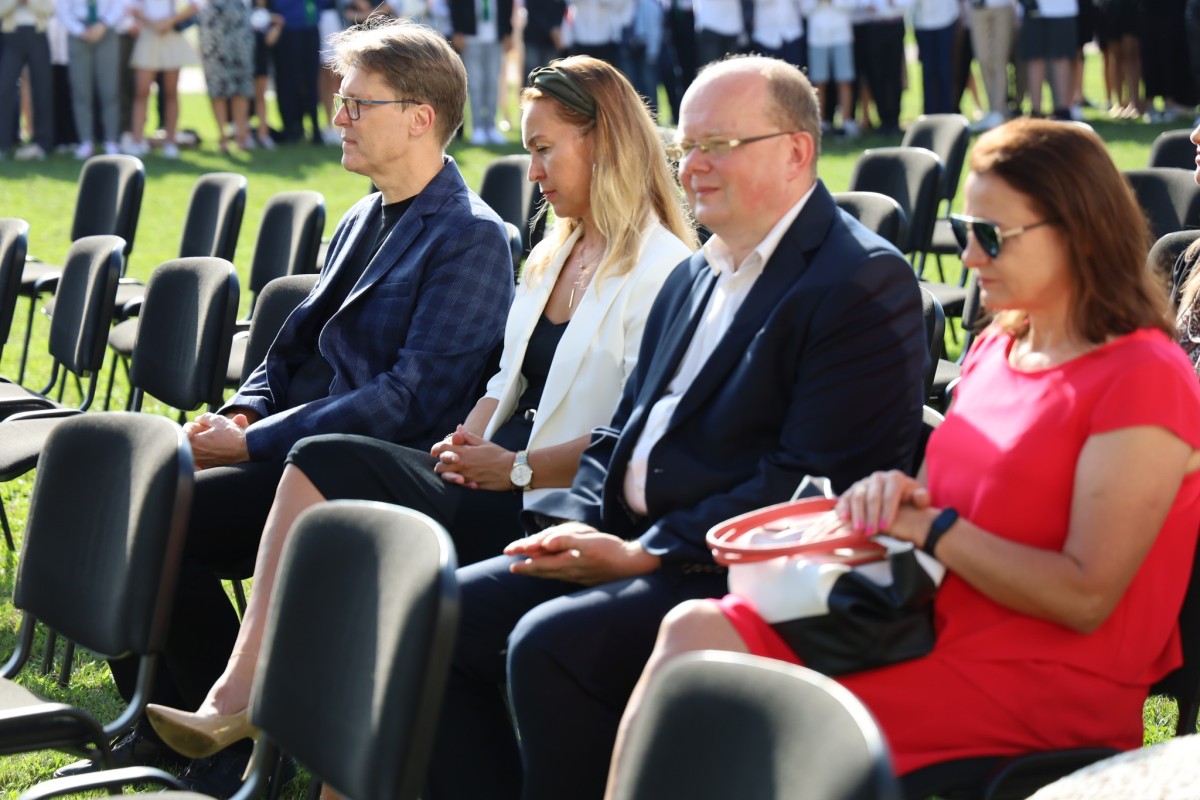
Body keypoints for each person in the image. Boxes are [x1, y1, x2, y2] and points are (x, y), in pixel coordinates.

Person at [608, 118, 1200, 800]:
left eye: (990, 236)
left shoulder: (1140, 375)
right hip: (924, 624)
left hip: (1044, 683)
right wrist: (898, 497)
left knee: (761, 724)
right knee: (695, 629)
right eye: (962, 229)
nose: (968, 257)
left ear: (1078, 234)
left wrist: (933, 528)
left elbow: (1086, 596)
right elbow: (944, 503)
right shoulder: (1001, 346)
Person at [143, 55, 697, 767]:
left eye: (543, 150)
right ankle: (218, 722)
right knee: (173, 492)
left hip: (555, 500)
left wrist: (516, 466)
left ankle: (243, 693)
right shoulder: (554, 251)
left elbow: (635, 433)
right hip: (489, 471)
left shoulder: (661, 268)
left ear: (606, 144)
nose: (532, 173)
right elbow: (502, 381)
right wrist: (470, 439)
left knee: (322, 458)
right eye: (528, 151)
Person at [424, 54, 927, 800]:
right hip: (637, 541)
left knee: (548, 645)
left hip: (741, 573)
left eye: (719, 146)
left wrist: (644, 553)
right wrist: (578, 522)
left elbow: (811, 484)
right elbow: (626, 435)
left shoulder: (858, 280)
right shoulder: (700, 272)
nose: (692, 167)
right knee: (436, 615)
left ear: (796, 152)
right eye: (688, 147)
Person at [53, 18, 516, 794]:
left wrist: (254, 442)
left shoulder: (472, 238)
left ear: (420, 117)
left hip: (360, 470)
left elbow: (409, 401)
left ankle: (232, 743)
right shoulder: (362, 214)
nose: (338, 116)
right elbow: (288, 353)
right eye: (341, 100)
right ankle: (177, 731)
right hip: (288, 448)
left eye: (357, 103)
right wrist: (242, 413)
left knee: (171, 516)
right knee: (143, 504)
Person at [125, 0, 199, 158]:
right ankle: (137, 141)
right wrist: (153, 23)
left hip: (171, 35)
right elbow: (131, 7)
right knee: (141, 92)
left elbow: (194, 6)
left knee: (171, 93)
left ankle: (170, 142)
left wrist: (169, 21)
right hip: (148, 35)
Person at [55, 0, 124, 158]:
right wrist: (80, 30)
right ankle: (85, 141)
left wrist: (104, 24)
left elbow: (121, 4)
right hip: (78, 31)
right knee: (81, 91)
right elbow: (62, 9)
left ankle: (111, 141)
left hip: (106, 30)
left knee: (110, 90)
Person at [197, 0, 255, 153]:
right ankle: (223, 137)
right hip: (213, 27)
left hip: (240, 26)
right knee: (217, 85)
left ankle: (241, 136)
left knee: (241, 84)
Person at [0, 0, 55, 160]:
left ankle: (42, 144)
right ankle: (3, 143)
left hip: (37, 35)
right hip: (11, 36)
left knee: (42, 89)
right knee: (4, 89)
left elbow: (49, 10)